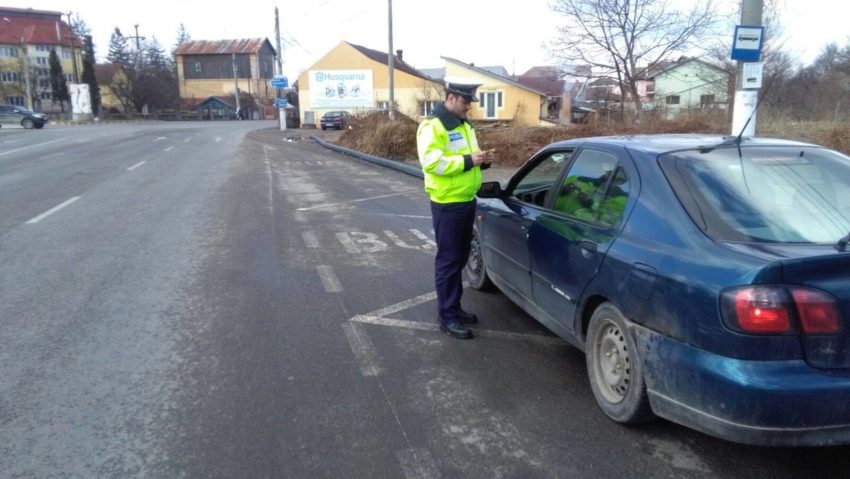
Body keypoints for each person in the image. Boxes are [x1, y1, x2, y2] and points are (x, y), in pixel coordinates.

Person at [416, 77, 495, 340]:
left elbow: (466, 158)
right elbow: (432, 163)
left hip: (465, 199)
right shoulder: (432, 126)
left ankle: (454, 308)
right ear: (450, 98)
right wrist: (468, 160)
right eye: (465, 101)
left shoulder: (464, 125)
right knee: (449, 261)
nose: (468, 107)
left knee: (459, 258)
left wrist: (482, 161)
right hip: (447, 203)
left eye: (469, 102)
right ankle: (447, 316)